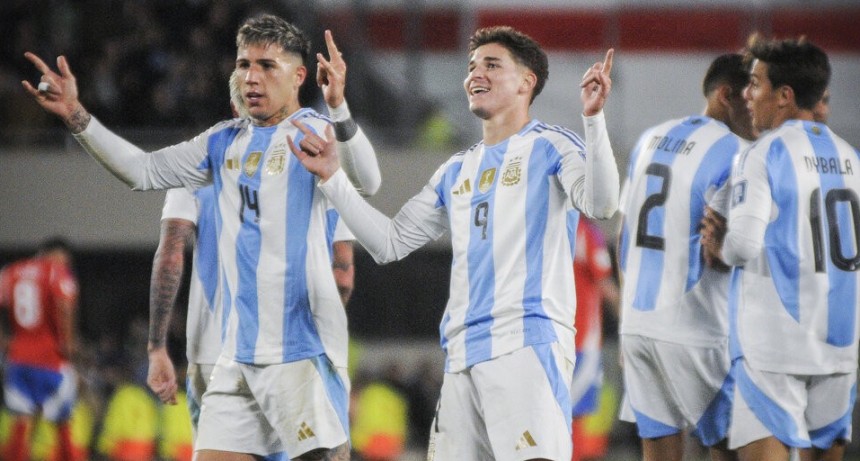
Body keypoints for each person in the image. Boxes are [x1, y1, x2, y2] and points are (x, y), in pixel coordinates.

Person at [23, 13, 381, 461]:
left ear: (299, 75)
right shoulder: (221, 142)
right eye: (243, 64)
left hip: (298, 352)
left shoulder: (314, 131)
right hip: (234, 357)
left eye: (267, 66)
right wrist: (77, 116)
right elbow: (143, 171)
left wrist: (340, 108)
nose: (251, 77)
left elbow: (369, 180)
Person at [291, 25, 619, 460]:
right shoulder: (455, 170)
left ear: (527, 81)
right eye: (471, 66)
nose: (475, 74)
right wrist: (333, 178)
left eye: (491, 65)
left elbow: (602, 202)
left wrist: (594, 121)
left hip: (525, 346)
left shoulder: (551, 146)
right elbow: (390, 243)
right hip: (462, 357)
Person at [701, 36, 859, 461]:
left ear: (785, 96)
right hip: (840, 343)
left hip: (775, 346)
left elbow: (744, 247)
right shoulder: (850, 157)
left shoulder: (763, 152)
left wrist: (719, 243)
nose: (748, 95)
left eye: (756, 84)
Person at [616, 53, 754, 461]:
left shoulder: (649, 139)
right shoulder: (737, 153)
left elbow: (624, 237)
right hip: (698, 328)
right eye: (753, 94)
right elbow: (724, 253)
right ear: (727, 95)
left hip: (638, 326)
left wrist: (627, 316)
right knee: (733, 447)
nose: (759, 109)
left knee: (658, 452)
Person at [0, 238, 79, 461]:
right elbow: (65, 305)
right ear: (51, 254)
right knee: (62, 422)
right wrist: (68, 341)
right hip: (51, 358)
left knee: (21, 423)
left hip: (19, 358)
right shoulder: (57, 273)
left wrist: (3, 339)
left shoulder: (11, 271)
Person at [570, 218, 619, 461]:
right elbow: (605, 284)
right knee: (575, 417)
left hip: (549, 339)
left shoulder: (548, 223)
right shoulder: (588, 232)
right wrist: (633, 323)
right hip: (582, 341)